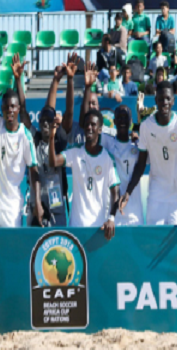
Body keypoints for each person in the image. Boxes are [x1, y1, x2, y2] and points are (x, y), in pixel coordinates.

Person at [118, 82, 177, 225]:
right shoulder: (146, 126)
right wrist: (128, 192)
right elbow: (141, 164)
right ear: (155, 100)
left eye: (168, 99)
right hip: (156, 197)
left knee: (176, 244)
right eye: (161, 99)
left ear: (173, 101)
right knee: (154, 243)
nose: (164, 103)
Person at [0, 55, 41, 227]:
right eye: (5, 107)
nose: (9, 110)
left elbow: (34, 172)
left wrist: (37, 203)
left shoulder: (25, 136)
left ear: (18, 108)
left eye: (13, 106)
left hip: (13, 210)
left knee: (12, 254)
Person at [13, 54, 68, 226]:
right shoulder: (34, 138)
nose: (45, 122)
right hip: (35, 200)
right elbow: (22, 112)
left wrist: (56, 81)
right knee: (33, 244)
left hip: (56, 200)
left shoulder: (58, 140)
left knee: (58, 238)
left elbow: (54, 110)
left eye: (49, 120)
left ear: (54, 123)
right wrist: (18, 79)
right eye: (42, 119)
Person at [49, 110, 118, 239]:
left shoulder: (108, 158)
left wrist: (111, 218)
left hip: (99, 228)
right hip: (77, 226)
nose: (89, 127)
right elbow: (53, 162)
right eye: (87, 124)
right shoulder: (75, 152)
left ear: (99, 129)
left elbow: (115, 192)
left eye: (93, 124)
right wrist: (52, 137)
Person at [101, 105, 143, 226]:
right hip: (114, 215)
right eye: (119, 117)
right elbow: (88, 122)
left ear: (130, 121)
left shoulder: (138, 145)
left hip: (135, 214)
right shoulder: (108, 142)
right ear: (114, 121)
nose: (122, 121)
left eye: (126, 117)